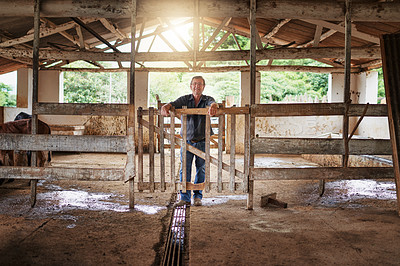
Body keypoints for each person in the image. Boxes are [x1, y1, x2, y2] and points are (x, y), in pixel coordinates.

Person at [161, 76, 218, 207]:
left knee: (201, 169)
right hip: (186, 141)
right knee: (184, 169)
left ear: (203, 86)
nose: (197, 86)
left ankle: (198, 197)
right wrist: (166, 106)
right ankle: (185, 198)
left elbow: (213, 103)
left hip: (202, 141)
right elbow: (172, 104)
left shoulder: (207, 99)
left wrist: (214, 106)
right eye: (194, 84)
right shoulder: (185, 99)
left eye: (200, 84)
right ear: (190, 86)